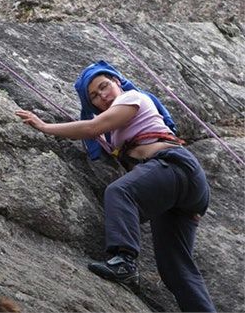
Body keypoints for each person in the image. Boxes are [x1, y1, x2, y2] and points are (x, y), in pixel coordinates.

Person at [15, 62, 214, 312]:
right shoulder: (112, 134)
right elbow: (97, 131)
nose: (102, 97)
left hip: (174, 166)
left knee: (121, 192)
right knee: (176, 269)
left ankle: (124, 262)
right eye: (95, 97)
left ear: (117, 82)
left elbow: (91, 127)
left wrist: (44, 126)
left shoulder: (134, 98)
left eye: (104, 87)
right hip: (178, 191)